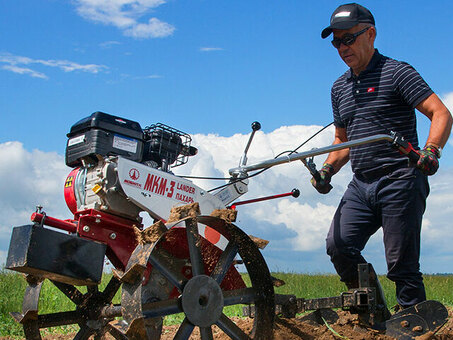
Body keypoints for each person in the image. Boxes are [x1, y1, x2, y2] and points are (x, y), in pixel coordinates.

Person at [312, 3, 452, 311]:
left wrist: (431, 150)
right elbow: (342, 140)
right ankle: (372, 310)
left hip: (400, 178)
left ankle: (413, 321)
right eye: (336, 42)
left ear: (370, 34)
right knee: (339, 245)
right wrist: (327, 169)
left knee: (401, 263)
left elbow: (440, 113)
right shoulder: (339, 88)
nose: (342, 47)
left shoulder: (397, 72)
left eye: (348, 38)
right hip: (361, 185)